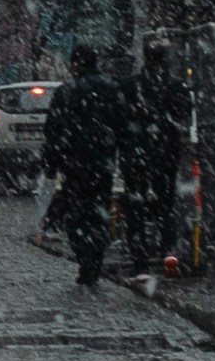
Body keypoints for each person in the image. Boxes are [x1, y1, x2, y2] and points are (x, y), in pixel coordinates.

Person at [42, 45, 124, 289]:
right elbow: (122, 125)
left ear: (76, 64)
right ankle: (94, 259)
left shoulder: (67, 92)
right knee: (98, 213)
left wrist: (53, 162)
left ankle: (85, 259)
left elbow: (52, 131)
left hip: (74, 165)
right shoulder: (111, 89)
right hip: (101, 165)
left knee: (77, 216)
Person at [117, 44, 186, 291]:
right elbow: (184, 115)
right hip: (165, 155)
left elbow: (119, 119)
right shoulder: (176, 86)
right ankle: (169, 253)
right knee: (166, 205)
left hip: (137, 155)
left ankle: (141, 263)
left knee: (136, 205)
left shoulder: (130, 85)